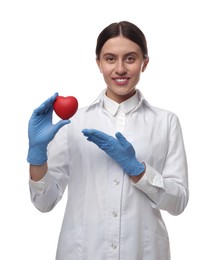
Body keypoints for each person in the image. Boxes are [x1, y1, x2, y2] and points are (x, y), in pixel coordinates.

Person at [27, 21, 189, 260]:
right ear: (98, 63)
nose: (120, 69)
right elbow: (45, 202)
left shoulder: (166, 122)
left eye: (130, 59)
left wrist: (139, 171)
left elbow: (179, 202)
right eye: (110, 58)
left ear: (145, 62)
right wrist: (37, 156)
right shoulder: (72, 122)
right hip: (82, 252)